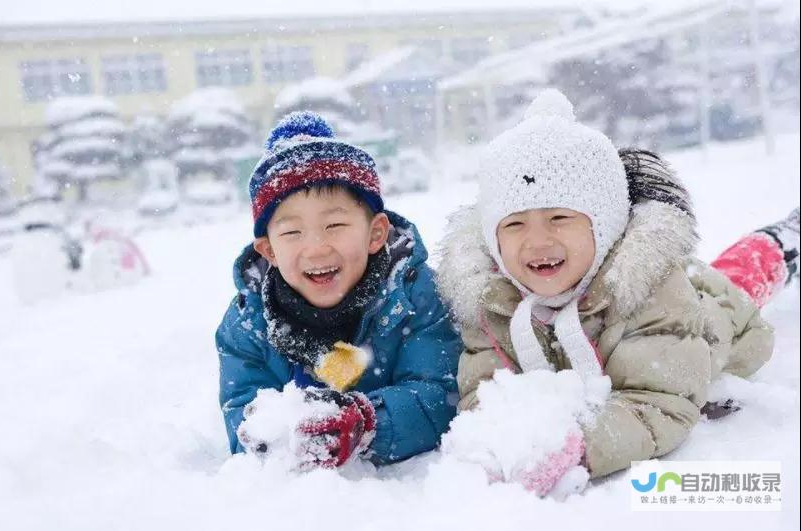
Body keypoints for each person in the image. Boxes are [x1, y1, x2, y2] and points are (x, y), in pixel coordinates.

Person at [436, 89, 798, 495]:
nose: (537, 241)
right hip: (680, 295)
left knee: (743, 274)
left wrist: (579, 447)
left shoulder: (652, 291)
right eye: (515, 225)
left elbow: (660, 402)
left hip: (715, 315)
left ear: (605, 225)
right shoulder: (491, 302)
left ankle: (783, 241)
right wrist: (491, 445)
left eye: (559, 217)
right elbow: (483, 391)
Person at [216, 111, 461, 468]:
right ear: (269, 251)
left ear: (376, 233)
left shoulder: (414, 296)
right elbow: (243, 420)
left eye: (335, 225)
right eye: (291, 233)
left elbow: (440, 397)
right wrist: (282, 437)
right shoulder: (247, 325)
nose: (316, 248)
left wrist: (367, 424)